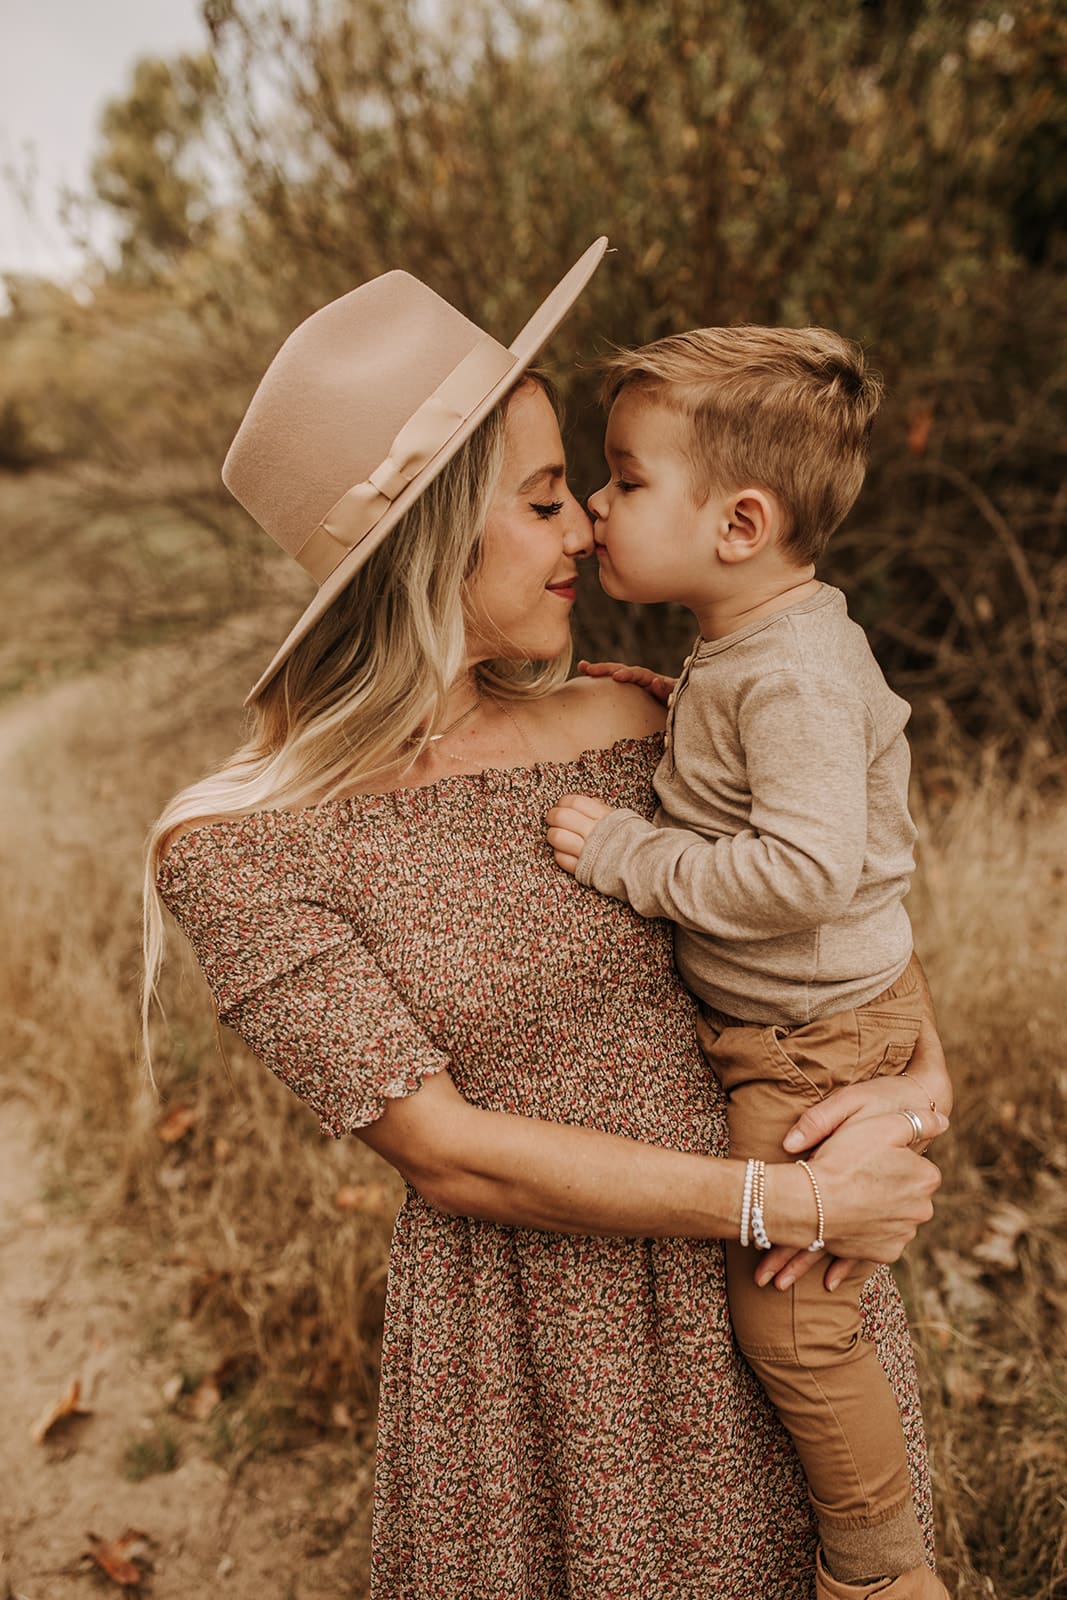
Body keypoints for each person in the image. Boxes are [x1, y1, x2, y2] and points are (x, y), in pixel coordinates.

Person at [144, 243, 951, 1600]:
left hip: (781, 1296)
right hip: (534, 1359)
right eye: (540, 500)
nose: (582, 526)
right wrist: (788, 1195)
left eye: (585, 489)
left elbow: (838, 919)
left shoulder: (647, 711)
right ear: (426, 541)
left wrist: (914, 1095)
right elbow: (448, 1157)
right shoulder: (238, 846)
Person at [544, 326, 951, 1598]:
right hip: (798, 1024)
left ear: (738, 523)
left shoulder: (794, 675)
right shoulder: (745, 647)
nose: (597, 509)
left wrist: (628, 851)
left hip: (814, 1042)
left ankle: (880, 1571)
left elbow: (801, 873)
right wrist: (668, 712)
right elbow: (744, 771)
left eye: (622, 480)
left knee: (789, 1322)